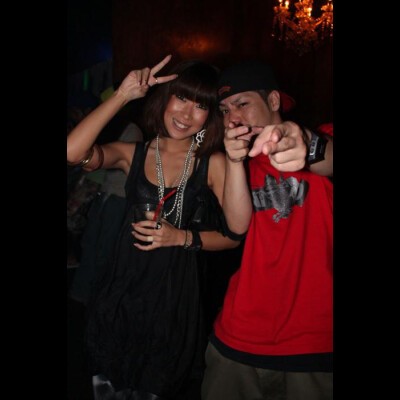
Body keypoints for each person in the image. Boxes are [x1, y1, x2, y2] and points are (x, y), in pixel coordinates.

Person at [67, 55, 242, 400]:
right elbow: (73, 154)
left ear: (210, 115)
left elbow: (234, 236)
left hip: (172, 298)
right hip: (120, 289)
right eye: (182, 97)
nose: (187, 114)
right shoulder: (133, 153)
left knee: (156, 384)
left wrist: (181, 237)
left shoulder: (214, 163)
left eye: (200, 106)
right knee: (108, 383)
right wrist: (122, 95)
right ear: (165, 98)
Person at [201, 60, 333, 400]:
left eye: (242, 103)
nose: (232, 118)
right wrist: (234, 162)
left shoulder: (321, 138)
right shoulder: (237, 165)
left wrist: (307, 142)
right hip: (237, 334)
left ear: (273, 100)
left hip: (313, 339)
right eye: (225, 110)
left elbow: (329, 158)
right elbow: (237, 227)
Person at [68, 122, 143, 304]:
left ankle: (98, 299)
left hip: (119, 197)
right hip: (105, 193)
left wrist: (98, 162)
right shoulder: (114, 127)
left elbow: (125, 165)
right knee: (90, 243)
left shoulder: (132, 130)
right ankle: (80, 293)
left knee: (105, 248)